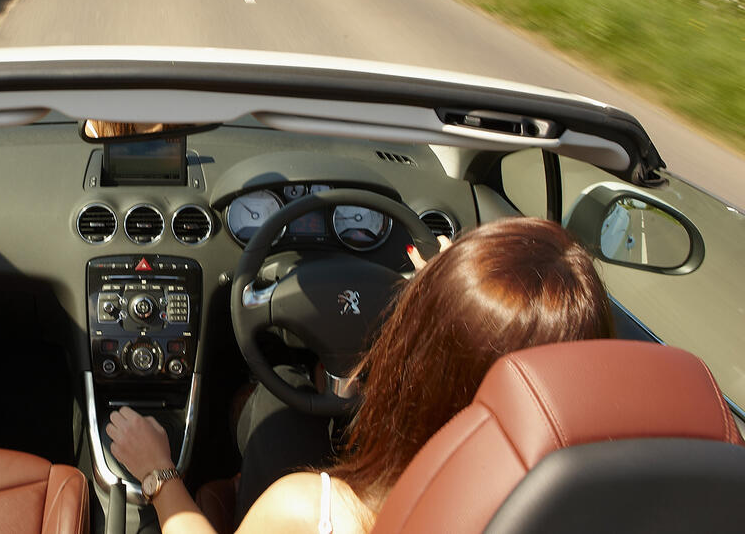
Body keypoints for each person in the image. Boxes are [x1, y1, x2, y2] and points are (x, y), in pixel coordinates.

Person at [106, 217, 614, 534]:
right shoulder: (582, 509)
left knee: (274, 411)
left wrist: (158, 474)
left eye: (413, 310)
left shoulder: (309, 512)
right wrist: (454, 293)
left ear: (419, 359)